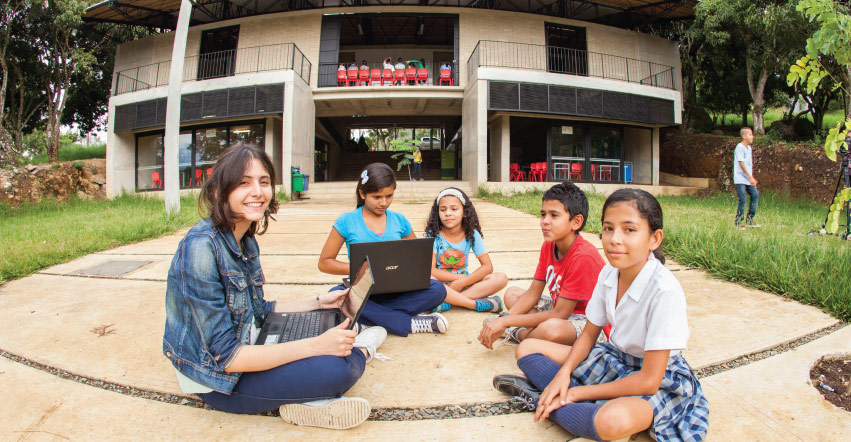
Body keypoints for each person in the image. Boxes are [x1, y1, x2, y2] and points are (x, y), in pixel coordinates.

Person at [162, 144, 387, 429]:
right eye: (244, 182)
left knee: (333, 303)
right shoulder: (200, 249)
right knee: (339, 368)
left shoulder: (245, 239)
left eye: (264, 181)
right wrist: (316, 345)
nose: (258, 191)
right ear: (219, 191)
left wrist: (317, 302)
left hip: (252, 342)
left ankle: (312, 398)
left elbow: (260, 310)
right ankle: (361, 353)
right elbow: (226, 358)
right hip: (218, 382)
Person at [495, 188, 709, 442]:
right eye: (608, 228)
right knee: (527, 348)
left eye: (629, 229)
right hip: (615, 357)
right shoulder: (609, 274)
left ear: (654, 239)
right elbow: (588, 336)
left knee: (613, 422)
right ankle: (567, 399)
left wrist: (578, 393)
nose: (614, 239)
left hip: (657, 378)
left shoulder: (664, 290)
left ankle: (552, 400)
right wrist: (563, 374)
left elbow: (650, 381)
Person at [318, 162, 448, 336]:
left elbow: (417, 256)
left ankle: (368, 320)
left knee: (438, 289)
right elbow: (324, 263)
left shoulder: (399, 220)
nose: (384, 202)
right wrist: (361, 269)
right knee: (336, 294)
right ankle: (407, 322)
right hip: (363, 292)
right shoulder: (346, 221)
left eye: (389, 196)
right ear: (362, 194)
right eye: (377, 197)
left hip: (398, 289)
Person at [478, 182, 606, 350]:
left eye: (554, 215)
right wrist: (504, 317)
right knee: (512, 294)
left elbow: (561, 314)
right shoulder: (549, 245)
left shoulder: (583, 256)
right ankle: (527, 332)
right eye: (543, 214)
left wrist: (506, 321)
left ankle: (518, 334)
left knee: (550, 329)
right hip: (559, 309)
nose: (545, 221)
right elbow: (533, 293)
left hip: (591, 323)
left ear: (576, 221)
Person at [425, 187, 507, 313]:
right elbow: (430, 270)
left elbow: (487, 267)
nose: (448, 213)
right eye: (443, 210)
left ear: (465, 212)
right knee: (427, 278)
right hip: (440, 285)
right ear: (438, 213)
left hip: (464, 283)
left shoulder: (471, 233)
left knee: (501, 278)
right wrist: (458, 279)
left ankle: (447, 301)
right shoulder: (433, 234)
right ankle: (473, 303)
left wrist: (464, 282)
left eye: (454, 209)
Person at [734, 127, 759, 229]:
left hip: (748, 179)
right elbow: (741, 163)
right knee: (743, 199)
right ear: (744, 136)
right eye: (750, 134)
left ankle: (750, 219)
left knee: (755, 195)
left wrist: (750, 178)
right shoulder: (739, 147)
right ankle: (739, 222)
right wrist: (750, 177)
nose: (752, 136)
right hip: (740, 178)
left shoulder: (749, 149)